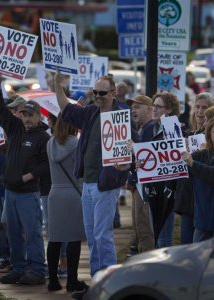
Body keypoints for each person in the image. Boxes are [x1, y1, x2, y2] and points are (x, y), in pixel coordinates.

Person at [54, 73, 139, 278]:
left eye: (102, 92)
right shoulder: (91, 112)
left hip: (107, 183)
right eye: (95, 92)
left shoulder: (122, 116)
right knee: (92, 236)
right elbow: (66, 107)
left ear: (113, 93)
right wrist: (58, 85)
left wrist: (128, 163)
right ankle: (96, 278)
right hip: (88, 182)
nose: (98, 96)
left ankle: (108, 279)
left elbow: (137, 147)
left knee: (103, 235)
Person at [0, 76, 49, 285]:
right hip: (11, 191)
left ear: (38, 117)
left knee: (32, 233)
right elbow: (0, 112)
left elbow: (46, 164)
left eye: (30, 116)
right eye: (23, 115)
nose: (26, 119)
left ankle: (37, 270)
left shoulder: (43, 137)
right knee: (14, 233)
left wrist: (29, 176)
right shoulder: (16, 129)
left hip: (28, 193)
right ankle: (18, 268)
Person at [46, 114, 87, 295]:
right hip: (73, 193)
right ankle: (72, 281)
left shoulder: (50, 143)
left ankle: (53, 280)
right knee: (73, 238)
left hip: (54, 193)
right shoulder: (77, 144)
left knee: (54, 238)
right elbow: (82, 170)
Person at [174, 92, 214, 244]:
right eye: (197, 107)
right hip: (187, 198)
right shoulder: (189, 134)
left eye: (204, 108)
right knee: (186, 243)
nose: (200, 111)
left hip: (203, 199)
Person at [144, 92, 180, 247]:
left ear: (169, 110)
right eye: (153, 106)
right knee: (155, 233)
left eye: (158, 107)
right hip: (152, 188)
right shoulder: (150, 127)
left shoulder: (174, 127)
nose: (154, 109)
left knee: (164, 236)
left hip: (168, 188)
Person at [126, 95, 155, 253]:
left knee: (144, 230)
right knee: (139, 228)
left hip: (144, 186)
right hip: (137, 185)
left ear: (150, 110)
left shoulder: (150, 127)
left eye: (137, 107)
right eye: (132, 107)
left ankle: (146, 266)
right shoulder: (141, 128)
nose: (133, 110)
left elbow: (149, 159)